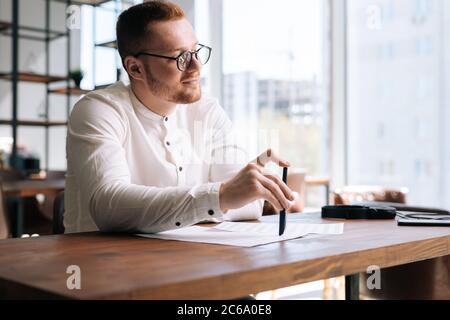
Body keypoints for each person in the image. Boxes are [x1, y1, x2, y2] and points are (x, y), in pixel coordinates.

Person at [64, 1, 295, 234]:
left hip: (188, 262)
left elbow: (248, 205)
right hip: (102, 265)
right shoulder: (98, 110)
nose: (196, 67)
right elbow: (110, 206)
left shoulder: (208, 112)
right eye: (180, 57)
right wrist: (221, 195)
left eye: (196, 51)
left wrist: (243, 189)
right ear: (135, 69)